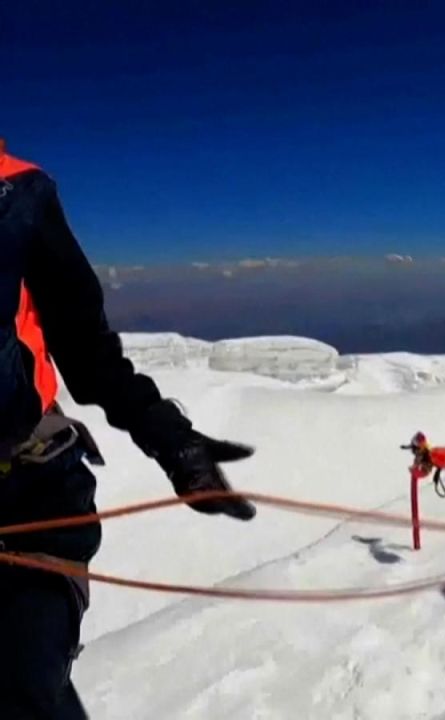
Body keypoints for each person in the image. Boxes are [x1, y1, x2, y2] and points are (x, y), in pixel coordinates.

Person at [0, 141, 257, 719]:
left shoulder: (19, 192)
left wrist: (172, 440)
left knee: (19, 690)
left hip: (31, 496)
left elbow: (86, 351)